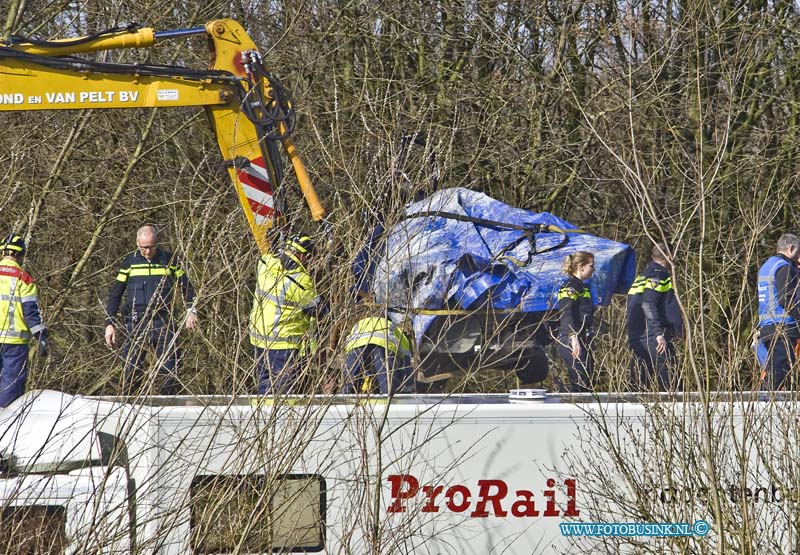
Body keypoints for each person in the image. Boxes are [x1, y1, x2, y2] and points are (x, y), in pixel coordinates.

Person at [105, 224, 198, 394]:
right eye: (144, 248)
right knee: (131, 370)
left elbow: (187, 286)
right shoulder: (129, 263)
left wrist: (191, 310)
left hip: (163, 321)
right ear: (137, 243)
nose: (148, 251)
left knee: (171, 369)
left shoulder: (169, 260)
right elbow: (115, 294)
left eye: (151, 247)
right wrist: (109, 323)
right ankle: (129, 408)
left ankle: (168, 408)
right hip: (136, 322)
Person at [249, 234, 323, 395]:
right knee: (285, 396)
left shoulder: (265, 264)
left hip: (258, 342)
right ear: (302, 256)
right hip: (283, 346)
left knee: (265, 394)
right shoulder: (299, 281)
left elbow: (269, 253)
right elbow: (318, 310)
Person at [626, 243, 684, 391]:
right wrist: (658, 333)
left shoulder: (642, 276)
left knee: (639, 385)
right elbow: (648, 303)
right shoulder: (658, 275)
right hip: (653, 338)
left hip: (638, 337)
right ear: (668, 257)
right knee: (670, 383)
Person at [0, 234, 49, 407]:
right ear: (20, 255)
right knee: (10, 386)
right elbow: (31, 313)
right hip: (14, 342)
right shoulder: (24, 279)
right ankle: (5, 423)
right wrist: (42, 337)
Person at [756, 233, 800, 389]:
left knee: (773, 369)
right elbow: (787, 298)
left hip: (767, 326)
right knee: (780, 371)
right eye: (798, 252)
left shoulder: (767, 266)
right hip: (783, 327)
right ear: (791, 248)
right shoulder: (784, 267)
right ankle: (765, 404)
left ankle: (764, 401)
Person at [342, 313, 413, 395]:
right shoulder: (399, 332)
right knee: (388, 388)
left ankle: (344, 402)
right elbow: (407, 365)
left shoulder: (360, 324)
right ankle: (391, 404)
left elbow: (347, 347)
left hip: (357, 344)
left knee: (348, 384)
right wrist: (408, 389)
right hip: (382, 344)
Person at [555, 251, 596, 393]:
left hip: (582, 338)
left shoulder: (581, 287)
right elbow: (566, 313)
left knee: (587, 381)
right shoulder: (570, 287)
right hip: (572, 340)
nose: (594, 269)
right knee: (580, 384)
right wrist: (573, 338)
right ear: (581, 267)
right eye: (591, 265)